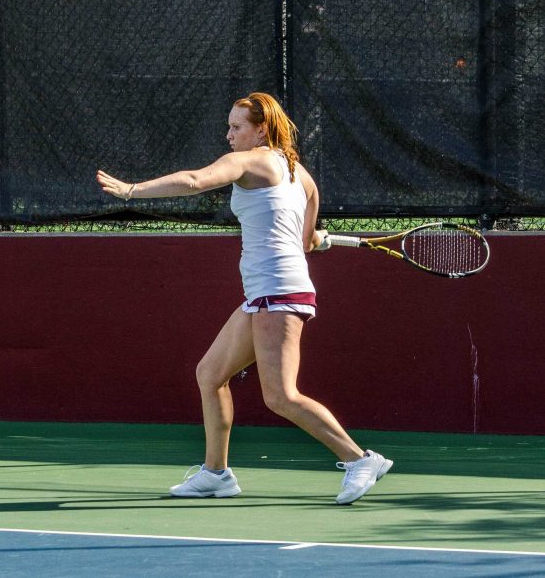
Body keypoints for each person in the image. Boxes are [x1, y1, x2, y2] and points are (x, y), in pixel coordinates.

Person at [96, 92, 392, 505]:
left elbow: (196, 180)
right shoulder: (301, 176)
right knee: (210, 374)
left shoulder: (251, 160)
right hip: (265, 292)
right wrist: (317, 240)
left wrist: (131, 190)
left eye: (237, 127)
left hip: (279, 291)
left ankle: (360, 459)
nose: (229, 134)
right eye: (230, 126)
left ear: (261, 130)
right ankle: (216, 473)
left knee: (280, 395)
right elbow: (306, 241)